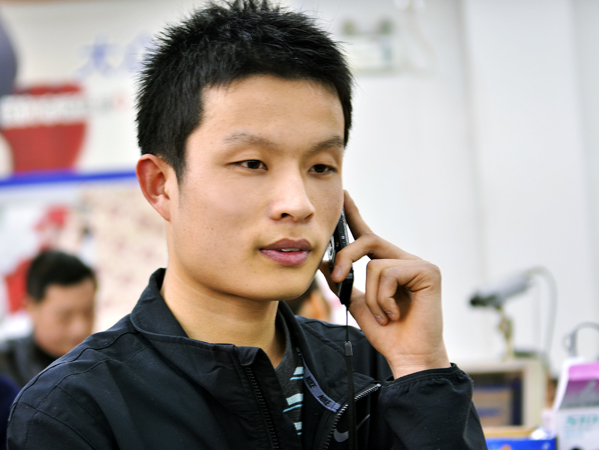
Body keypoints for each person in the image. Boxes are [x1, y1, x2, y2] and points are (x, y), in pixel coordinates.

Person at [7, 1, 486, 448]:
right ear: (161, 185)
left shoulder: (380, 368)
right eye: (252, 163)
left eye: (321, 167)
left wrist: (422, 368)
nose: (298, 204)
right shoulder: (76, 409)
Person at [0, 249, 95, 387]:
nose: (80, 328)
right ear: (30, 308)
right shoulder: (5, 368)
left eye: (88, 312)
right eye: (65, 316)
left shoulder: (106, 362)